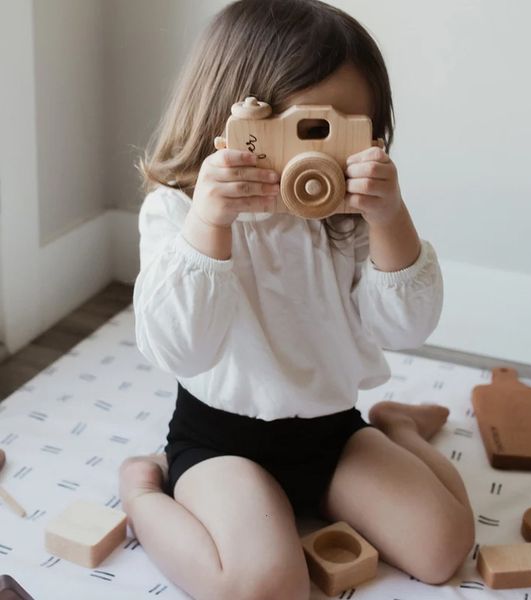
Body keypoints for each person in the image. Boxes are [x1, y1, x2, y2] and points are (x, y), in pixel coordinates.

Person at [118, 1, 475, 598]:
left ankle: (398, 427)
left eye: (343, 134)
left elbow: (406, 329)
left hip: (332, 431)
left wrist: (390, 218)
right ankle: (140, 487)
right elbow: (177, 348)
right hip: (222, 441)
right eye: (305, 131)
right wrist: (211, 222)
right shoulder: (178, 213)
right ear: (233, 121)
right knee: (264, 587)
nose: (315, 157)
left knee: (445, 547)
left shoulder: (349, 221)